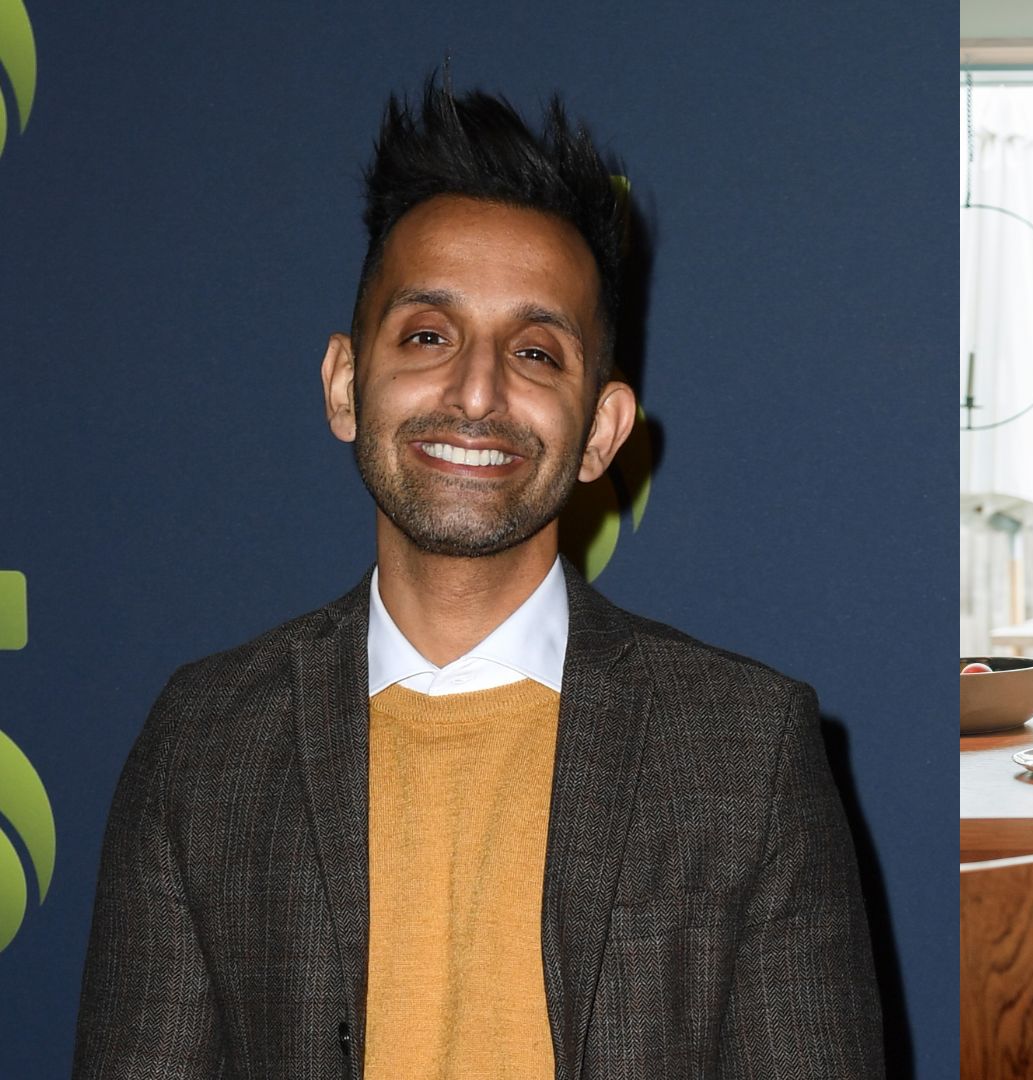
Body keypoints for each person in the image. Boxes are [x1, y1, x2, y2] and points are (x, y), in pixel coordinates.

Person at [71, 75, 883, 1079]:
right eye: (427, 335)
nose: (476, 391)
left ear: (600, 432)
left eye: (537, 352)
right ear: (344, 384)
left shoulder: (748, 754)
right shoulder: (201, 744)